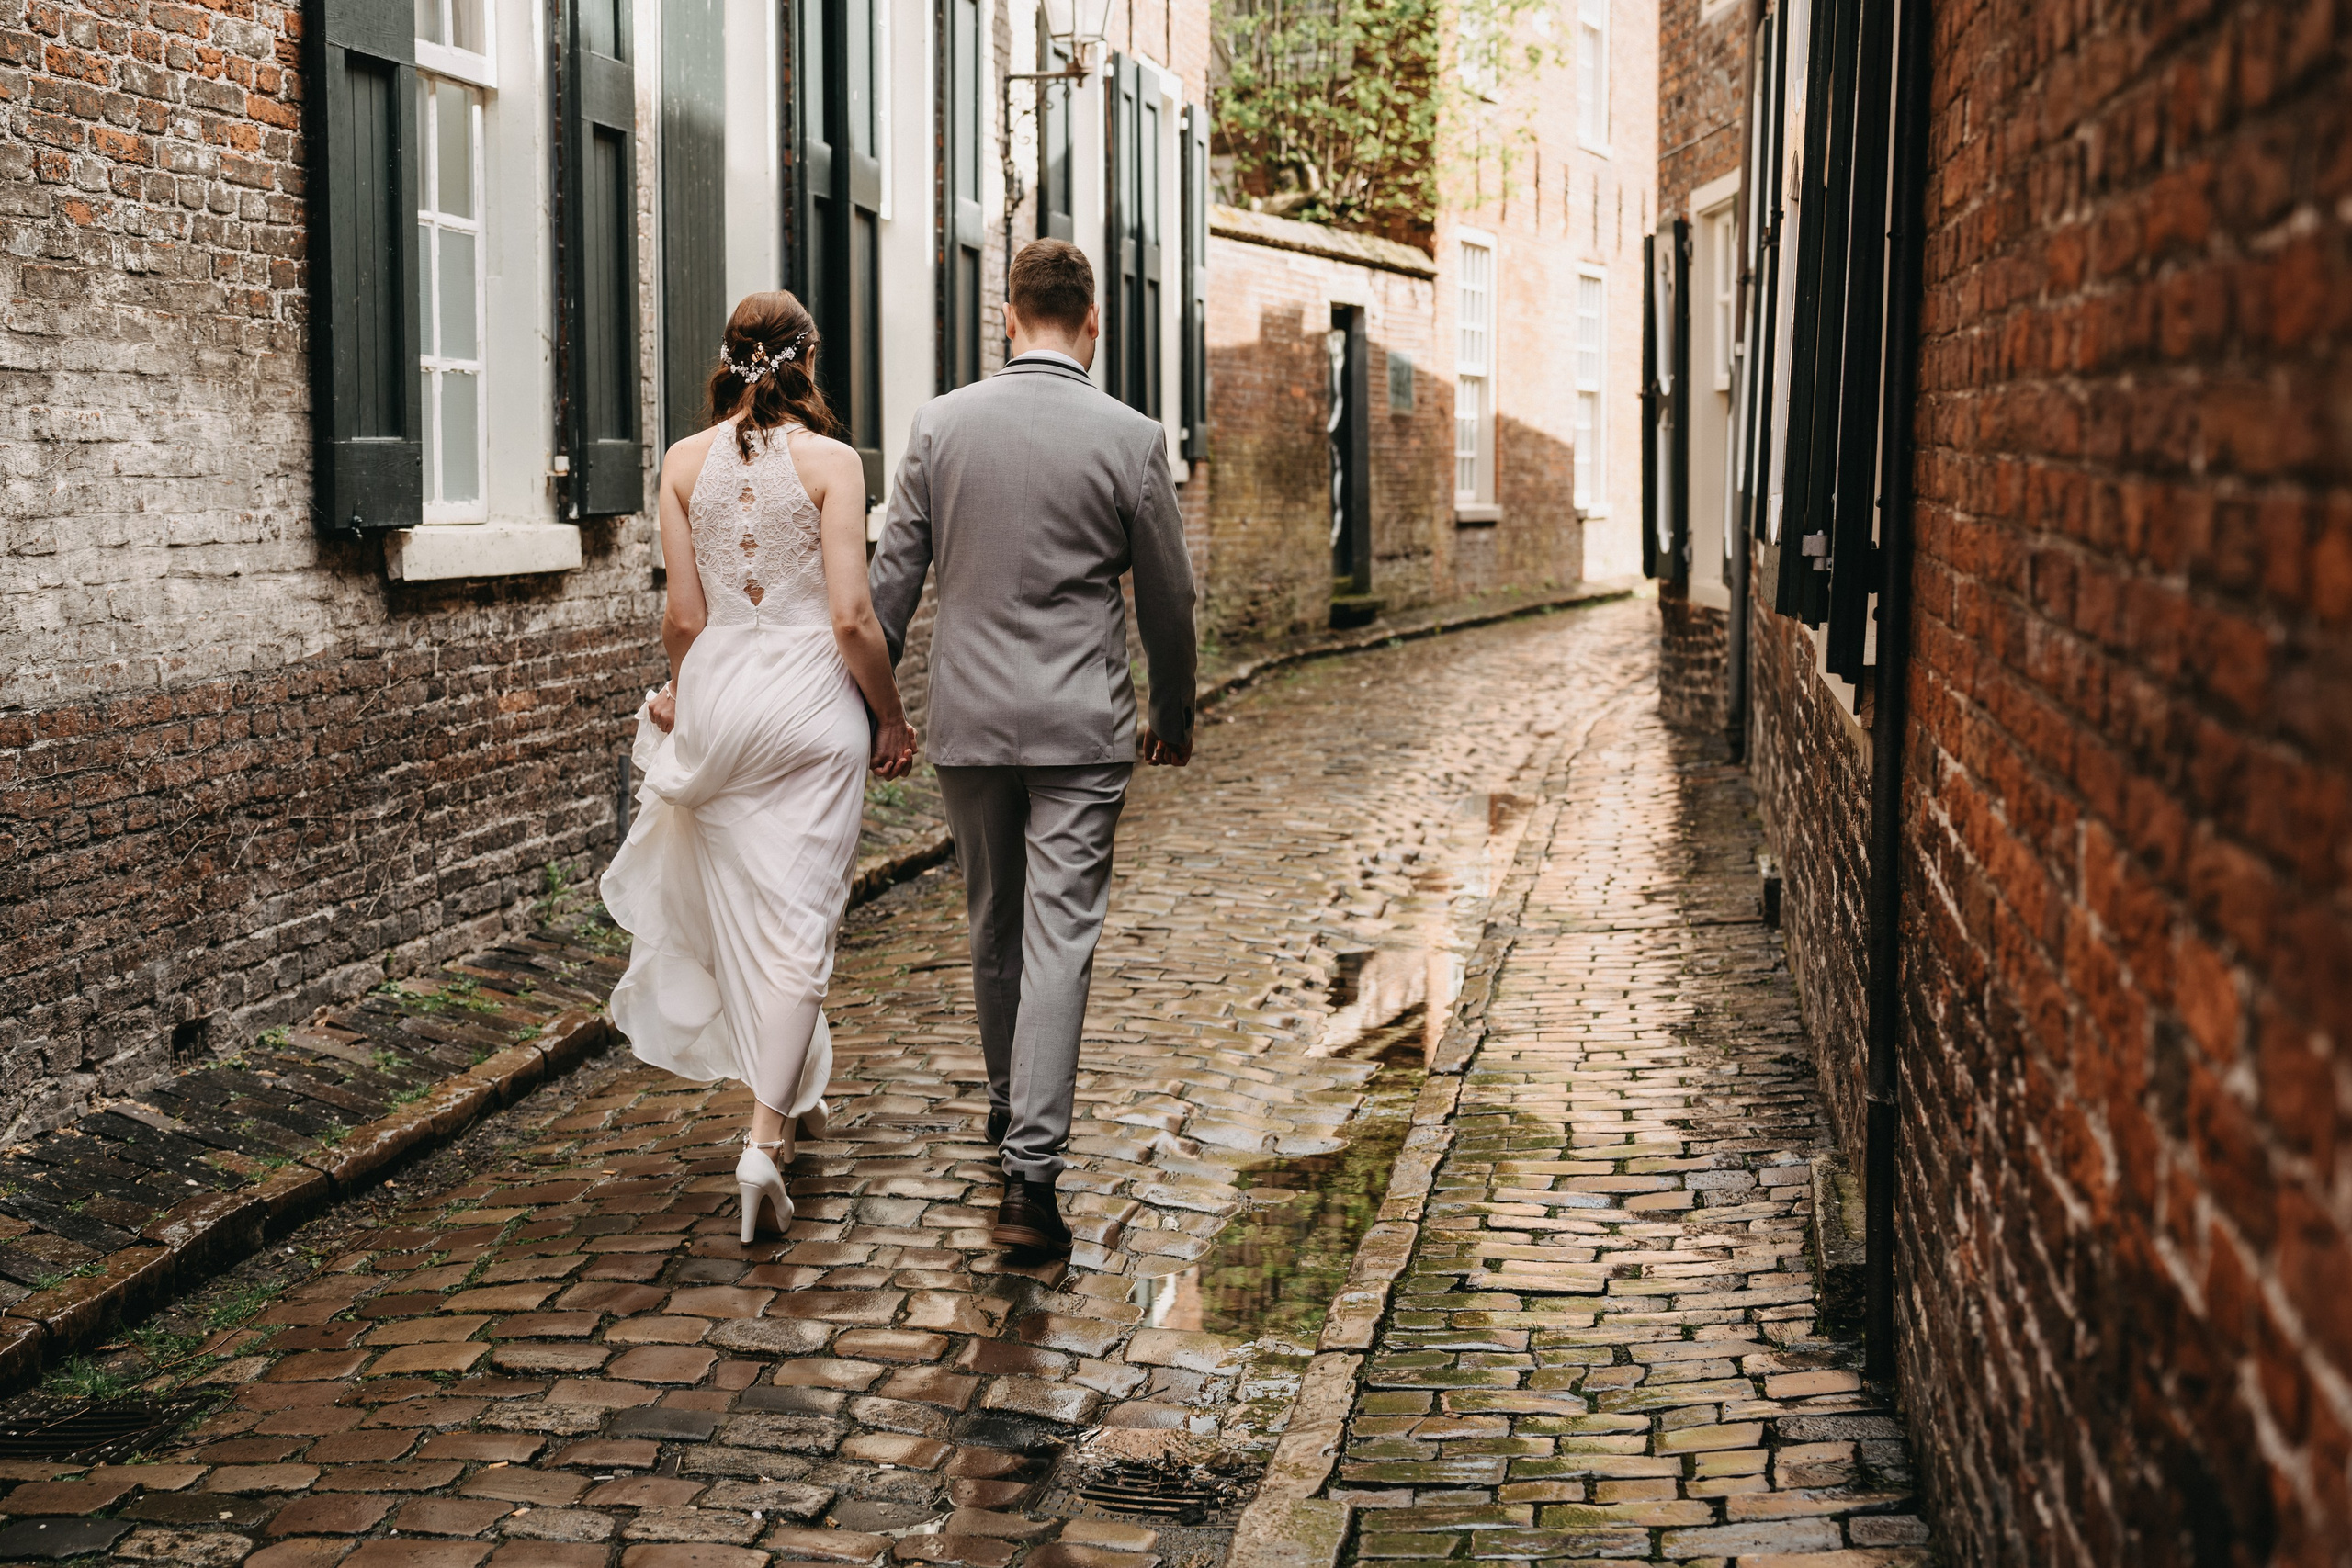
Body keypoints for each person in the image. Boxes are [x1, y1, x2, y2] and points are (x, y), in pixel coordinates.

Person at [869, 239, 1198, 1257]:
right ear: (1091, 321)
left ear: (1006, 316)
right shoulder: (1132, 438)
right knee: (1061, 939)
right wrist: (1173, 712)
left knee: (990, 925)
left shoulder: (940, 426)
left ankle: (1014, 1110)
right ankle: (1029, 1183)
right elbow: (1170, 598)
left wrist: (868, 707)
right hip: (1080, 727)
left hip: (967, 723)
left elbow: (888, 587)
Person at [601, 290, 918, 1247]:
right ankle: (764, 1142)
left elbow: (685, 619)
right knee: (798, 922)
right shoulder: (832, 463)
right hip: (812, 705)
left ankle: (795, 1096)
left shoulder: (681, 463)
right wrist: (891, 715)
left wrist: (679, 693)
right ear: (808, 359)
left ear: (729, 357)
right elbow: (853, 620)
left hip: (727, 698)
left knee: (746, 905)